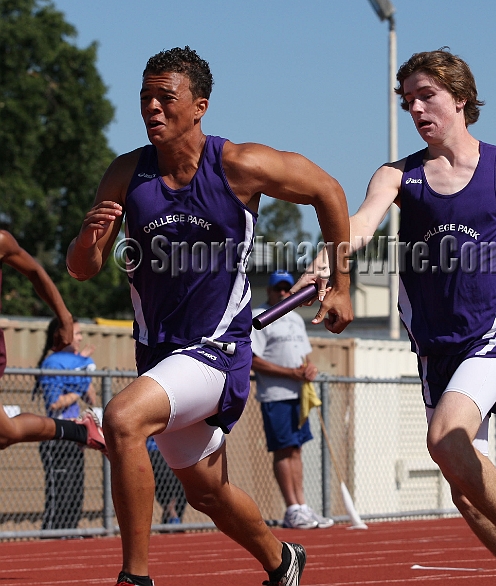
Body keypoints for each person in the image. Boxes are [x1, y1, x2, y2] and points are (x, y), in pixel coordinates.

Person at [298, 49, 496, 585]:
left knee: (444, 437)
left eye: (426, 96)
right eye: (408, 101)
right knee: (466, 494)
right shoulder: (399, 176)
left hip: (493, 334)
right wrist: (323, 263)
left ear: (459, 97)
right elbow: (361, 224)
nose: (417, 109)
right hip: (435, 347)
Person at [66, 46, 352, 586]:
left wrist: (341, 285)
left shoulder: (237, 164)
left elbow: (327, 191)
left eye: (164, 98)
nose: (151, 107)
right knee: (206, 492)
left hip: (217, 352)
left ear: (198, 107)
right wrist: (87, 239)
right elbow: (83, 269)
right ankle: (282, 561)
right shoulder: (126, 173)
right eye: (145, 97)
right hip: (159, 356)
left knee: (123, 421)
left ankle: (135, 578)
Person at [0, 230, 105, 454]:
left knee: (4, 434)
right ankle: (81, 431)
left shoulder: (1, 241)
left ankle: (80, 431)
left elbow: (35, 272)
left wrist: (65, 318)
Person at [251, 270, 334, 530]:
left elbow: (304, 356)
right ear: (270, 291)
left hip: (299, 395)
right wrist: (291, 373)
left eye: (288, 289)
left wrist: (309, 369)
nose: (284, 293)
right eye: (279, 289)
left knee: (296, 449)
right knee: (284, 450)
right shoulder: (259, 317)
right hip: (276, 395)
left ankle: (302, 506)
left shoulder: (297, 319)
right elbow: (253, 360)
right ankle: (292, 507)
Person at [36, 317, 98, 531]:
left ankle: (70, 531)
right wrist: (78, 387)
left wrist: (84, 367)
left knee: (75, 490)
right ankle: (53, 532)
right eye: (76, 333)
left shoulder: (78, 360)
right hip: (57, 433)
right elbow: (54, 403)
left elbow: (92, 399)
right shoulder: (53, 363)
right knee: (60, 491)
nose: (80, 338)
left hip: (76, 435)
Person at [146, 436, 187, 526]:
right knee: (165, 484)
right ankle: (172, 517)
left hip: (177, 449)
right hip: (155, 449)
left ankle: (172, 521)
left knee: (181, 488)